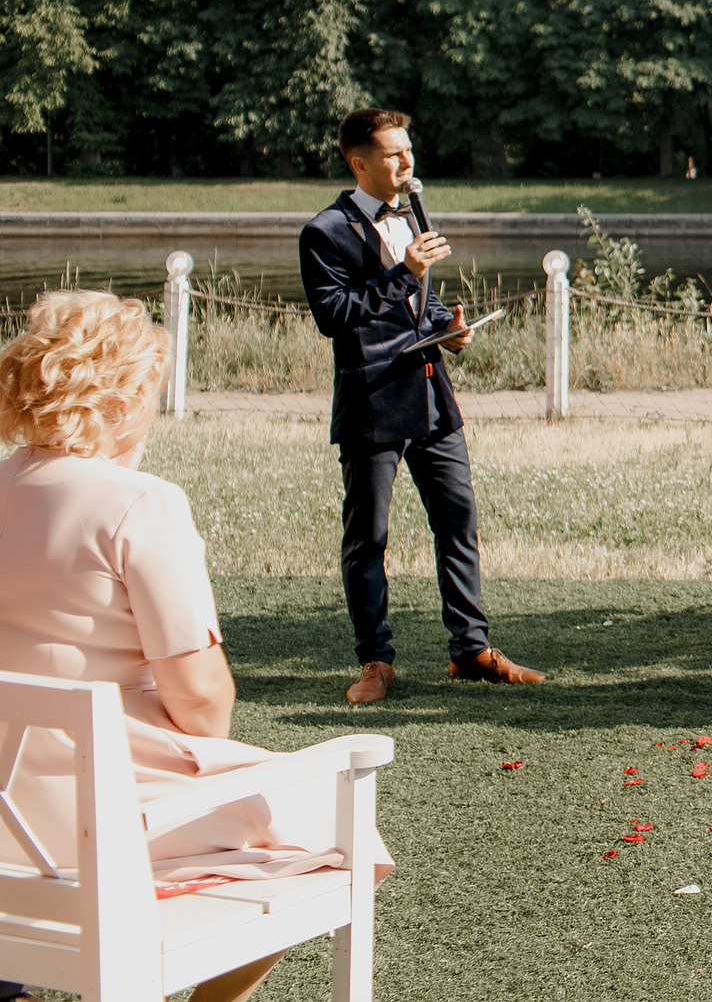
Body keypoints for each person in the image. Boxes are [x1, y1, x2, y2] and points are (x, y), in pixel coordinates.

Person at [0, 291, 391, 1002]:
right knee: (341, 833)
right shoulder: (137, 505)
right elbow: (203, 703)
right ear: (123, 396)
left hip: (9, 830)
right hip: (109, 828)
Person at [299, 106, 541, 705]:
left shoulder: (410, 217)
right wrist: (406, 274)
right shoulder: (323, 232)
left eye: (408, 150)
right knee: (368, 538)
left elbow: (418, 306)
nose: (407, 163)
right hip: (373, 400)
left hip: (431, 393)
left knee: (459, 519)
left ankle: (472, 650)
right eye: (392, 154)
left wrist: (447, 325)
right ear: (360, 163)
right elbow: (336, 316)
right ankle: (375, 662)